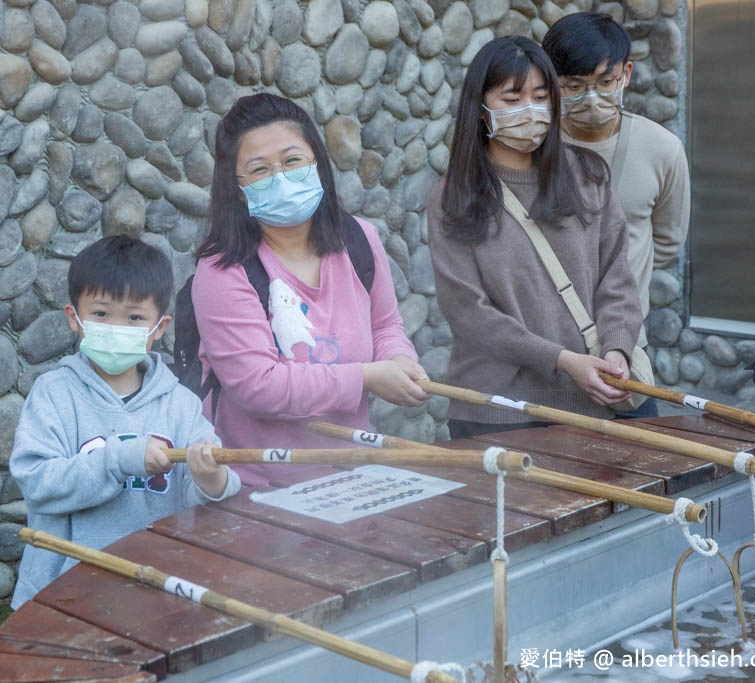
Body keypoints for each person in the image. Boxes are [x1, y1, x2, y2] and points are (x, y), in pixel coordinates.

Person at [192, 93, 428, 486]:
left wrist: (400, 361)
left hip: (353, 476)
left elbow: (385, 326)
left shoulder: (359, 239)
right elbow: (258, 386)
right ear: (237, 185)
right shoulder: (222, 270)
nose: (280, 177)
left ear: (316, 161)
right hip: (257, 489)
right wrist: (367, 377)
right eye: (259, 170)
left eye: (292, 161)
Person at [427, 36, 642, 438]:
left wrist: (615, 349)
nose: (531, 110)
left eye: (542, 97)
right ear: (480, 107)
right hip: (496, 409)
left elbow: (617, 280)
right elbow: (468, 311)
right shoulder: (452, 196)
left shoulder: (588, 176)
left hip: (593, 403)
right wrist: (561, 359)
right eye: (512, 98)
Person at [9, 236, 241, 608]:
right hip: (60, 596)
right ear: (74, 318)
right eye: (101, 314)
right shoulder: (53, 393)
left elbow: (206, 500)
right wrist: (119, 459)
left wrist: (211, 479)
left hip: (155, 591)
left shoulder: (180, 405)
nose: (117, 327)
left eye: (134, 318)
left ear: (159, 326)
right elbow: (38, 483)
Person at [543, 12, 691, 417]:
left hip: (623, 360)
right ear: (550, 82)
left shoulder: (662, 148)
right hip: (546, 363)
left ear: (626, 74)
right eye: (573, 86)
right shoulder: (531, 149)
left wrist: (616, 273)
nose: (591, 99)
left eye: (605, 83)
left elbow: (666, 241)